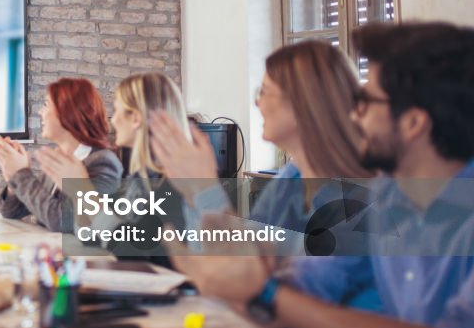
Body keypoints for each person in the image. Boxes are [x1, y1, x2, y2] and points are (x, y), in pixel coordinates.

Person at [159, 22, 474, 328]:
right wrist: (246, 282)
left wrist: (259, 286)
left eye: (366, 101)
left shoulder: (361, 198)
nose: (353, 114)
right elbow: (288, 288)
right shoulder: (383, 197)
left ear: (413, 123)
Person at [152, 40, 374, 246]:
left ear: (302, 104)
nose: (258, 103)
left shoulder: (354, 196)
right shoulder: (290, 177)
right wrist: (194, 192)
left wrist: (205, 189)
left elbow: (246, 269)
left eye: (264, 92)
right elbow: (240, 255)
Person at [38, 72, 192, 262]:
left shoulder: (172, 185)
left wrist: (84, 192)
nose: (112, 120)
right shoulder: (140, 179)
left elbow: (134, 251)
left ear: (136, 119)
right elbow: (94, 238)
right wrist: (79, 196)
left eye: (117, 110)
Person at [0, 78, 122, 232]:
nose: (41, 112)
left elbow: (63, 221)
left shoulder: (102, 162)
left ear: (67, 112)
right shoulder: (60, 157)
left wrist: (21, 175)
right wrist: (13, 177)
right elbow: (12, 212)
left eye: (46, 104)